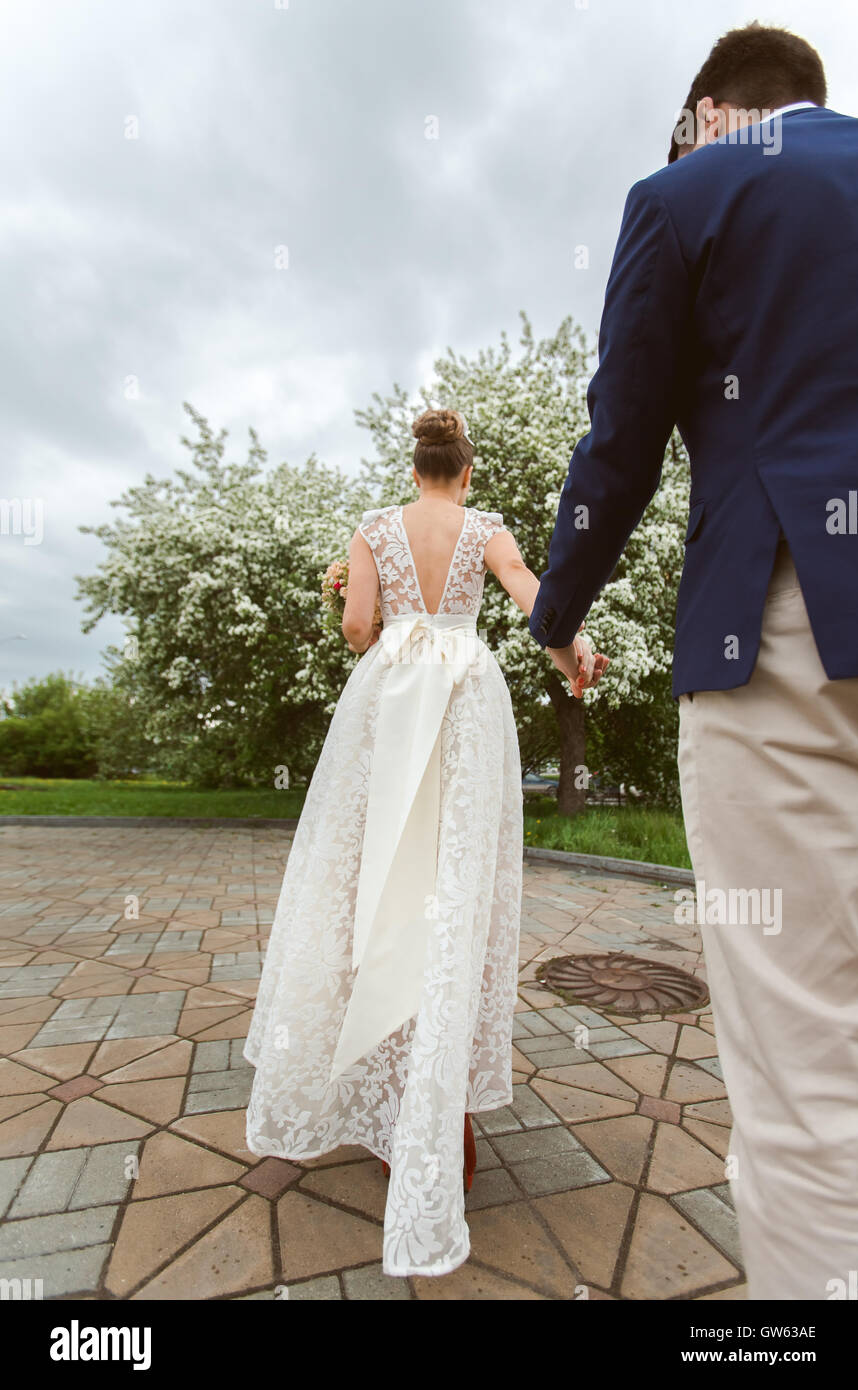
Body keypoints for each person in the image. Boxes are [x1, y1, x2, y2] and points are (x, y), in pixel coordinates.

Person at [529, 23, 858, 1299]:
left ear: (708, 113)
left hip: (793, 638)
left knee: (806, 1074)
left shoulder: (685, 192)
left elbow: (620, 436)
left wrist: (557, 609)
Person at [244, 407, 609, 1278]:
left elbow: (360, 632)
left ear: (416, 470)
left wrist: (348, 597)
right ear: (466, 473)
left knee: (373, 871)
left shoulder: (374, 528)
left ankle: (379, 1075)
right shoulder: (487, 530)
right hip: (466, 697)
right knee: (453, 878)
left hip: (392, 697)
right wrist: (575, 659)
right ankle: (440, 1097)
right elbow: (538, 600)